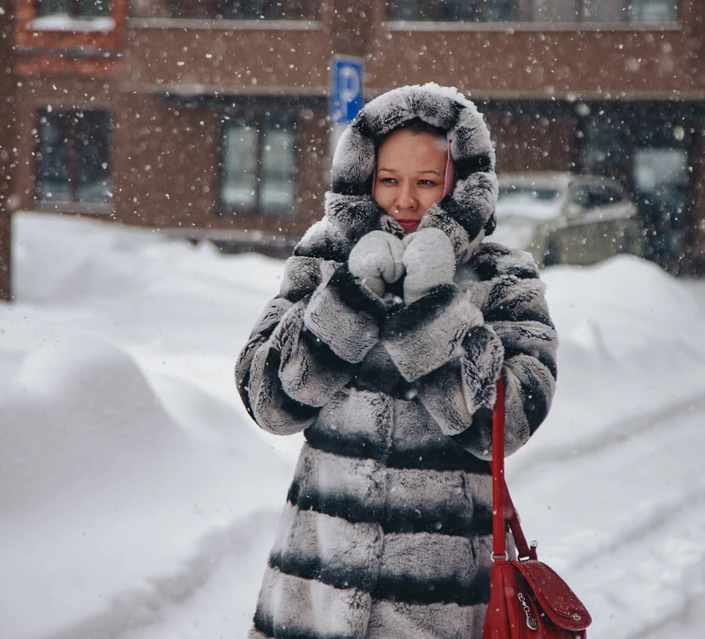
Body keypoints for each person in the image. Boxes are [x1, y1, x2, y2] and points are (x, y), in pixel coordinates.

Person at [235, 83, 558, 639]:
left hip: (439, 601)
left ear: (460, 186)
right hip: (314, 593)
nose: (405, 201)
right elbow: (268, 402)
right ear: (364, 179)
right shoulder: (326, 257)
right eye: (389, 180)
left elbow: (503, 426)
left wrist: (433, 303)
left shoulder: (503, 276)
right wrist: (348, 298)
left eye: (427, 183)